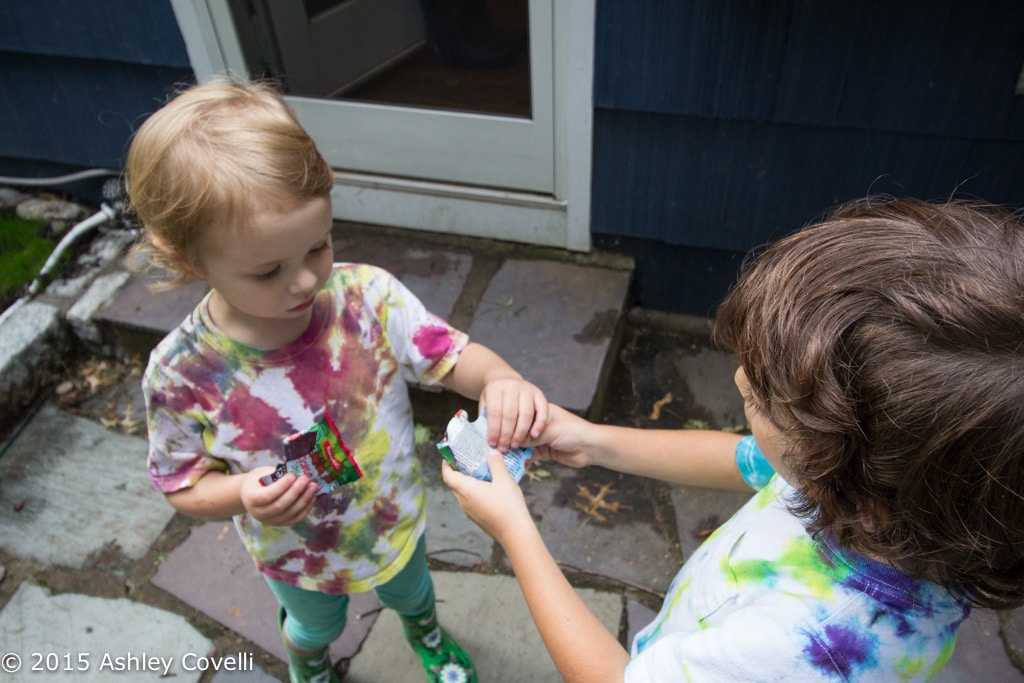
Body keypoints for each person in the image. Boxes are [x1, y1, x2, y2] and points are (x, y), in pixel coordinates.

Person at [443, 196, 1024, 681]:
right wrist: (592, 441)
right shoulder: (887, 502)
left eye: (768, 394)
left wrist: (516, 533)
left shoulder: (798, 648)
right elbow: (745, 460)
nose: (741, 378)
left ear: (862, 483)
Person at [125, 77, 548, 683]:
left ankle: (424, 632)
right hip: (295, 554)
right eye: (269, 270)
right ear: (191, 259)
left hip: (393, 516)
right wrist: (242, 496)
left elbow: (451, 356)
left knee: (413, 591)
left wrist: (501, 379)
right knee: (315, 625)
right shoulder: (182, 372)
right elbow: (180, 484)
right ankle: (311, 663)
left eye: (318, 246)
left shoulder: (366, 296)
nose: (305, 282)